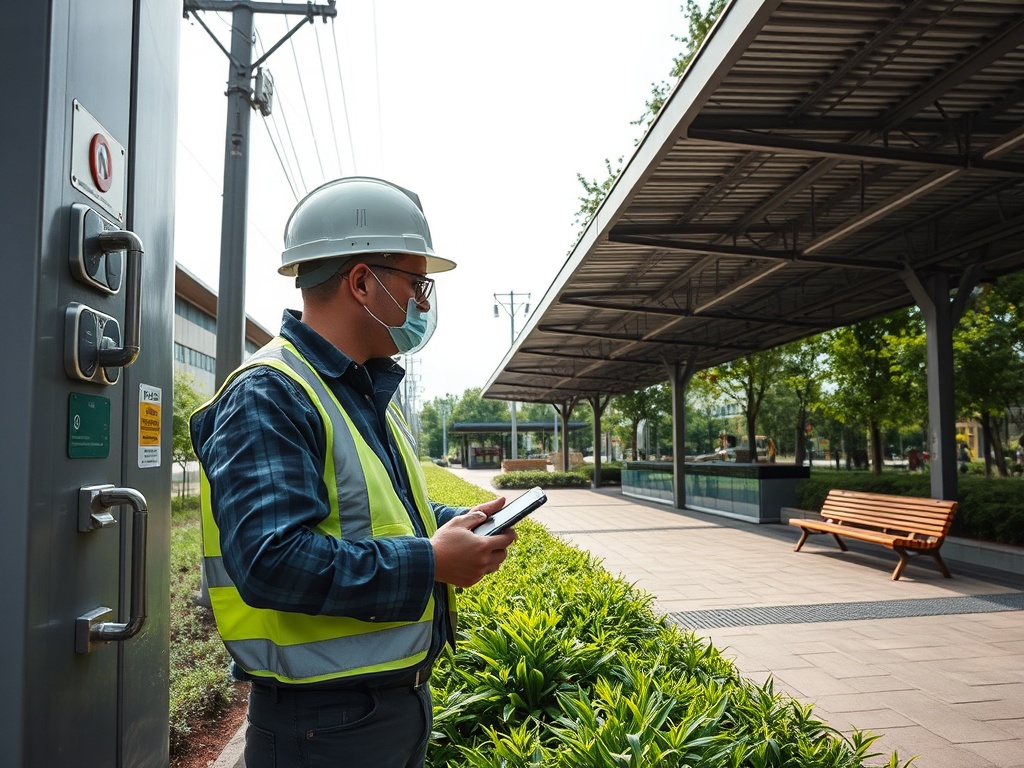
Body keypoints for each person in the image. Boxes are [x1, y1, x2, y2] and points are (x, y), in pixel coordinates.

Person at [190, 177, 517, 768]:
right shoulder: (271, 393)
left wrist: (454, 525)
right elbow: (272, 560)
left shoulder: (361, 391)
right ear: (362, 283)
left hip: (381, 709)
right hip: (322, 727)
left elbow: (372, 513)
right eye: (417, 283)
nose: (422, 302)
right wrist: (431, 561)